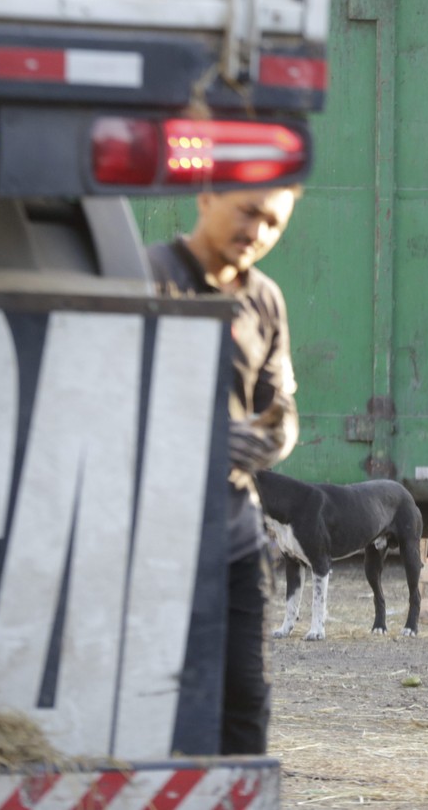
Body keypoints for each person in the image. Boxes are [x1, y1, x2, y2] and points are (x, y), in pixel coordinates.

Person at [147, 185, 301, 755]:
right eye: (248, 213)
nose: (257, 233)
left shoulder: (265, 298)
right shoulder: (147, 277)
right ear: (208, 196)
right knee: (162, 705)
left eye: (273, 224)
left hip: (235, 537)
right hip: (152, 538)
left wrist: (274, 439)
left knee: (245, 704)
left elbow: (281, 410)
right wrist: (204, 439)